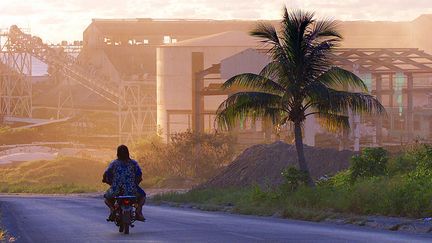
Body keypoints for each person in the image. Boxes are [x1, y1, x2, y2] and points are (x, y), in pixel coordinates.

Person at [103, 145, 146, 221]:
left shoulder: (114, 164)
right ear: (128, 152)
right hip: (132, 190)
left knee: (107, 198)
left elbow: (107, 173)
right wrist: (136, 183)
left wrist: (106, 180)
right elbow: (139, 174)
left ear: (117, 153)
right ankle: (138, 211)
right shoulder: (133, 163)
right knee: (142, 197)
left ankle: (112, 210)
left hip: (116, 190)